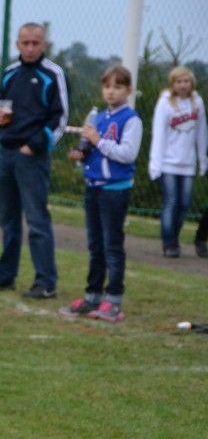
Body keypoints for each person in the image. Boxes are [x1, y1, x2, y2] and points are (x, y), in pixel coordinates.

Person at [0, 22, 69, 299]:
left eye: (35, 43)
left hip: (32, 157)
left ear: (44, 45)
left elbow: (61, 118)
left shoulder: (54, 74)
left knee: (37, 220)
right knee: (8, 219)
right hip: (6, 153)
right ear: (17, 44)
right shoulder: (9, 73)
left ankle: (46, 281)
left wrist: (37, 144)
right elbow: (0, 105)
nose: (30, 48)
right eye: (25, 43)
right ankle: (5, 276)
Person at [60, 66, 142, 324]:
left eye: (118, 87)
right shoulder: (98, 118)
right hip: (93, 187)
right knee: (95, 245)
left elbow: (127, 154)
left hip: (114, 190)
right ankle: (92, 295)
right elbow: (92, 152)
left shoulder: (131, 120)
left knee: (112, 245)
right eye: (107, 86)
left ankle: (114, 299)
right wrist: (80, 156)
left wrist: (97, 141)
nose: (111, 92)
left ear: (128, 90)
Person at [147, 66, 207, 258]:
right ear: (172, 84)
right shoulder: (165, 103)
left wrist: (202, 159)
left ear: (191, 83)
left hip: (187, 164)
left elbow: (201, 133)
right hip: (168, 164)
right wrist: (155, 163)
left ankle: (174, 236)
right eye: (179, 81)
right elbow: (158, 134)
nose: (183, 85)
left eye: (186, 81)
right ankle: (169, 242)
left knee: (184, 203)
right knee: (171, 201)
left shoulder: (197, 102)